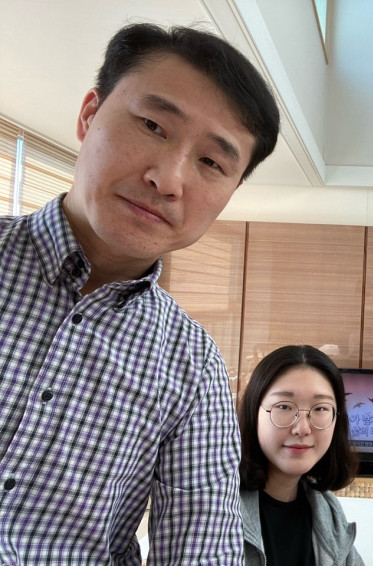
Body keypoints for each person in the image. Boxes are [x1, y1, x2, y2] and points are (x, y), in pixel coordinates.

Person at [0, 23, 279, 564]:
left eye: (211, 162)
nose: (168, 180)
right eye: (153, 125)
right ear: (89, 115)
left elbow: (202, 548)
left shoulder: (194, 368)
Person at [237, 345, 364, 566]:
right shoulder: (217, 508)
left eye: (320, 409)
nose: (302, 428)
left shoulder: (328, 512)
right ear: (253, 412)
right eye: (284, 407)